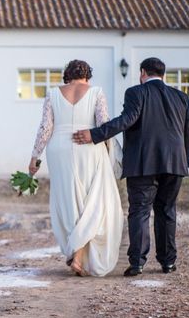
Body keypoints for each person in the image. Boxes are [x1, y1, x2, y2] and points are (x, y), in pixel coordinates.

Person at [72, 57, 189, 277]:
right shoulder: (181, 97)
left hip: (142, 163)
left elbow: (127, 119)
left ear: (143, 73)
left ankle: (137, 263)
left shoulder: (136, 93)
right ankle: (168, 263)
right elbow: (187, 133)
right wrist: (184, 161)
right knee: (167, 211)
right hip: (175, 163)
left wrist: (95, 134)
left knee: (140, 212)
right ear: (162, 74)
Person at [29, 60, 124, 277]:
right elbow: (104, 124)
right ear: (87, 76)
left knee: (68, 199)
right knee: (93, 200)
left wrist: (35, 156)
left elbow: (45, 128)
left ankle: (76, 251)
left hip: (58, 149)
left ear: (67, 75)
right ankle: (78, 254)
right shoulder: (96, 92)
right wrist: (112, 152)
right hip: (88, 145)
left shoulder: (53, 93)